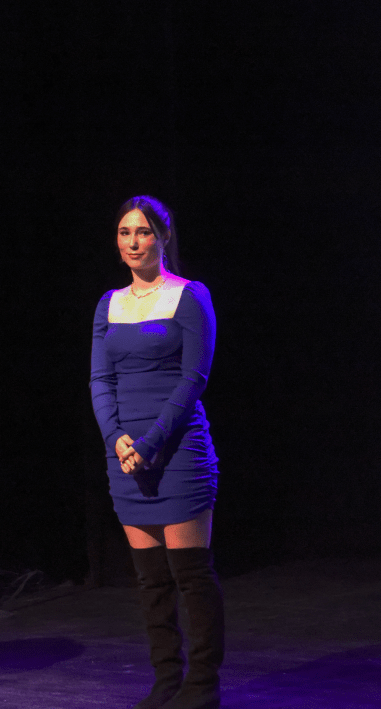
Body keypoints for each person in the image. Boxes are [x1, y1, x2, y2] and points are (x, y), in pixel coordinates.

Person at [89, 196, 223, 709]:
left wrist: (149, 444)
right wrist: (116, 439)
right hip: (125, 458)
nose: (133, 242)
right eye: (125, 233)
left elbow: (193, 379)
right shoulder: (108, 304)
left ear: (163, 237)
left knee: (190, 575)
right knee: (151, 582)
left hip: (177, 452)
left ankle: (202, 687)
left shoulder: (189, 296)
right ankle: (166, 680)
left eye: (143, 232)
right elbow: (100, 380)